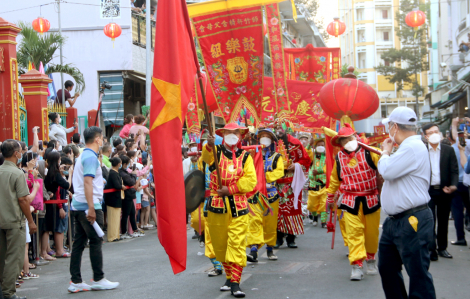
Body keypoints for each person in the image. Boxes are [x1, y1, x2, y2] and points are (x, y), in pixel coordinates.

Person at [377, 107, 436, 299]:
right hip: (396, 220)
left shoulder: (413, 146)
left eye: (389, 126)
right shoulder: (408, 147)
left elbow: (387, 171)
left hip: (412, 218)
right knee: (387, 268)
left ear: (394, 126)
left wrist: (385, 153)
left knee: (418, 274)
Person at [202, 123, 257, 297]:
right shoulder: (215, 151)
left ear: (240, 136)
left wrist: (231, 189)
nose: (232, 135)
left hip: (238, 206)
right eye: (228, 132)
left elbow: (251, 181)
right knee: (221, 245)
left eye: (235, 132)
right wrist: (209, 145)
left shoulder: (245, 157)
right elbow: (205, 158)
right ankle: (228, 276)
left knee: (237, 244)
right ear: (223, 134)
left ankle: (235, 283)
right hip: (217, 206)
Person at [326, 123, 381, 281]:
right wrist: (330, 197)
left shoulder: (371, 153)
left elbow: (385, 169)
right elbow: (335, 179)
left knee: (371, 233)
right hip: (349, 200)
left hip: (371, 198)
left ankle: (371, 258)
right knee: (353, 233)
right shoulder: (339, 158)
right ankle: (356, 264)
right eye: (343, 140)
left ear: (356, 137)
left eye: (349, 138)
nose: (347, 142)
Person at [68, 126, 119, 293]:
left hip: (78, 204)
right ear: (97, 139)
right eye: (102, 138)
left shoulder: (83, 155)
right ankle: (98, 278)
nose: (103, 140)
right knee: (96, 240)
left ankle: (76, 281)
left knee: (79, 243)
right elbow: (87, 182)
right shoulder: (90, 157)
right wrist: (91, 207)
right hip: (88, 206)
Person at [0, 140, 39, 299]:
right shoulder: (16, 173)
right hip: (14, 221)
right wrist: (30, 221)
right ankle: (9, 293)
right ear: (16, 153)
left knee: (2, 258)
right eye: (19, 151)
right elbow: (23, 200)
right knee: (14, 259)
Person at [422, 123, 459, 260]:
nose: (434, 134)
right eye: (430, 132)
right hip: (428, 192)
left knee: (443, 220)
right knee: (429, 221)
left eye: (436, 131)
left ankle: (442, 248)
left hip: (444, 191)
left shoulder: (448, 150)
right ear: (425, 136)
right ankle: (431, 249)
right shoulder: (422, 151)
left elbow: (454, 171)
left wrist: (453, 185)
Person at [274, 119, 311, 249]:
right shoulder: (271, 143)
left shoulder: (295, 143)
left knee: (293, 208)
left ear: (287, 128)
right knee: (277, 209)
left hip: (292, 181)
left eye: (281, 127)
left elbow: (306, 160)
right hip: (275, 181)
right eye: (277, 127)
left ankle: (291, 237)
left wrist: (295, 165)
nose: (279, 130)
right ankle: (278, 237)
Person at [254, 128, 284, 261]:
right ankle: (254, 248)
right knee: (255, 221)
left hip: (271, 193)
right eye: (262, 136)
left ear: (272, 141)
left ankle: (270, 248)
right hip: (256, 194)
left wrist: (264, 176)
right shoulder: (252, 155)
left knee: (270, 223)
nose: (264, 138)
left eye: (267, 136)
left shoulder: (277, 156)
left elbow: (279, 172)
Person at [449, 118, 470, 246]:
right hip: (466, 184)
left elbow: (465, 166)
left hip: (457, 183)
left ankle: (461, 238)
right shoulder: (466, 144)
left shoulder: (456, 146)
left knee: (457, 212)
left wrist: (454, 124)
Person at [119, 155, 141, 239]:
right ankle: (124, 232)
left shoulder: (125, 172)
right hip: (126, 195)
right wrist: (134, 175)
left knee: (132, 213)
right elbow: (131, 182)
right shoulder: (122, 173)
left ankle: (134, 230)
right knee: (125, 214)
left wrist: (132, 173)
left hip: (130, 195)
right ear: (124, 164)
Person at [307, 138, 328, 228]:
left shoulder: (327, 158)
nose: (320, 147)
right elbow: (306, 154)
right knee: (312, 205)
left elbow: (328, 169)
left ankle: (323, 222)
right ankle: (314, 216)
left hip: (323, 184)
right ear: (315, 147)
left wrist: (319, 171)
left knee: (323, 204)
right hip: (313, 184)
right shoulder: (313, 156)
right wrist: (309, 145)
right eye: (318, 145)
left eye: (322, 145)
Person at [104, 157, 125, 242]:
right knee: (113, 218)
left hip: (116, 198)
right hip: (112, 199)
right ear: (118, 164)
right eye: (120, 163)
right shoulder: (112, 173)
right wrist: (122, 187)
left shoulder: (115, 172)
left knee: (116, 218)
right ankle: (112, 236)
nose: (120, 164)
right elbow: (116, 185)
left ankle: (116, 235)